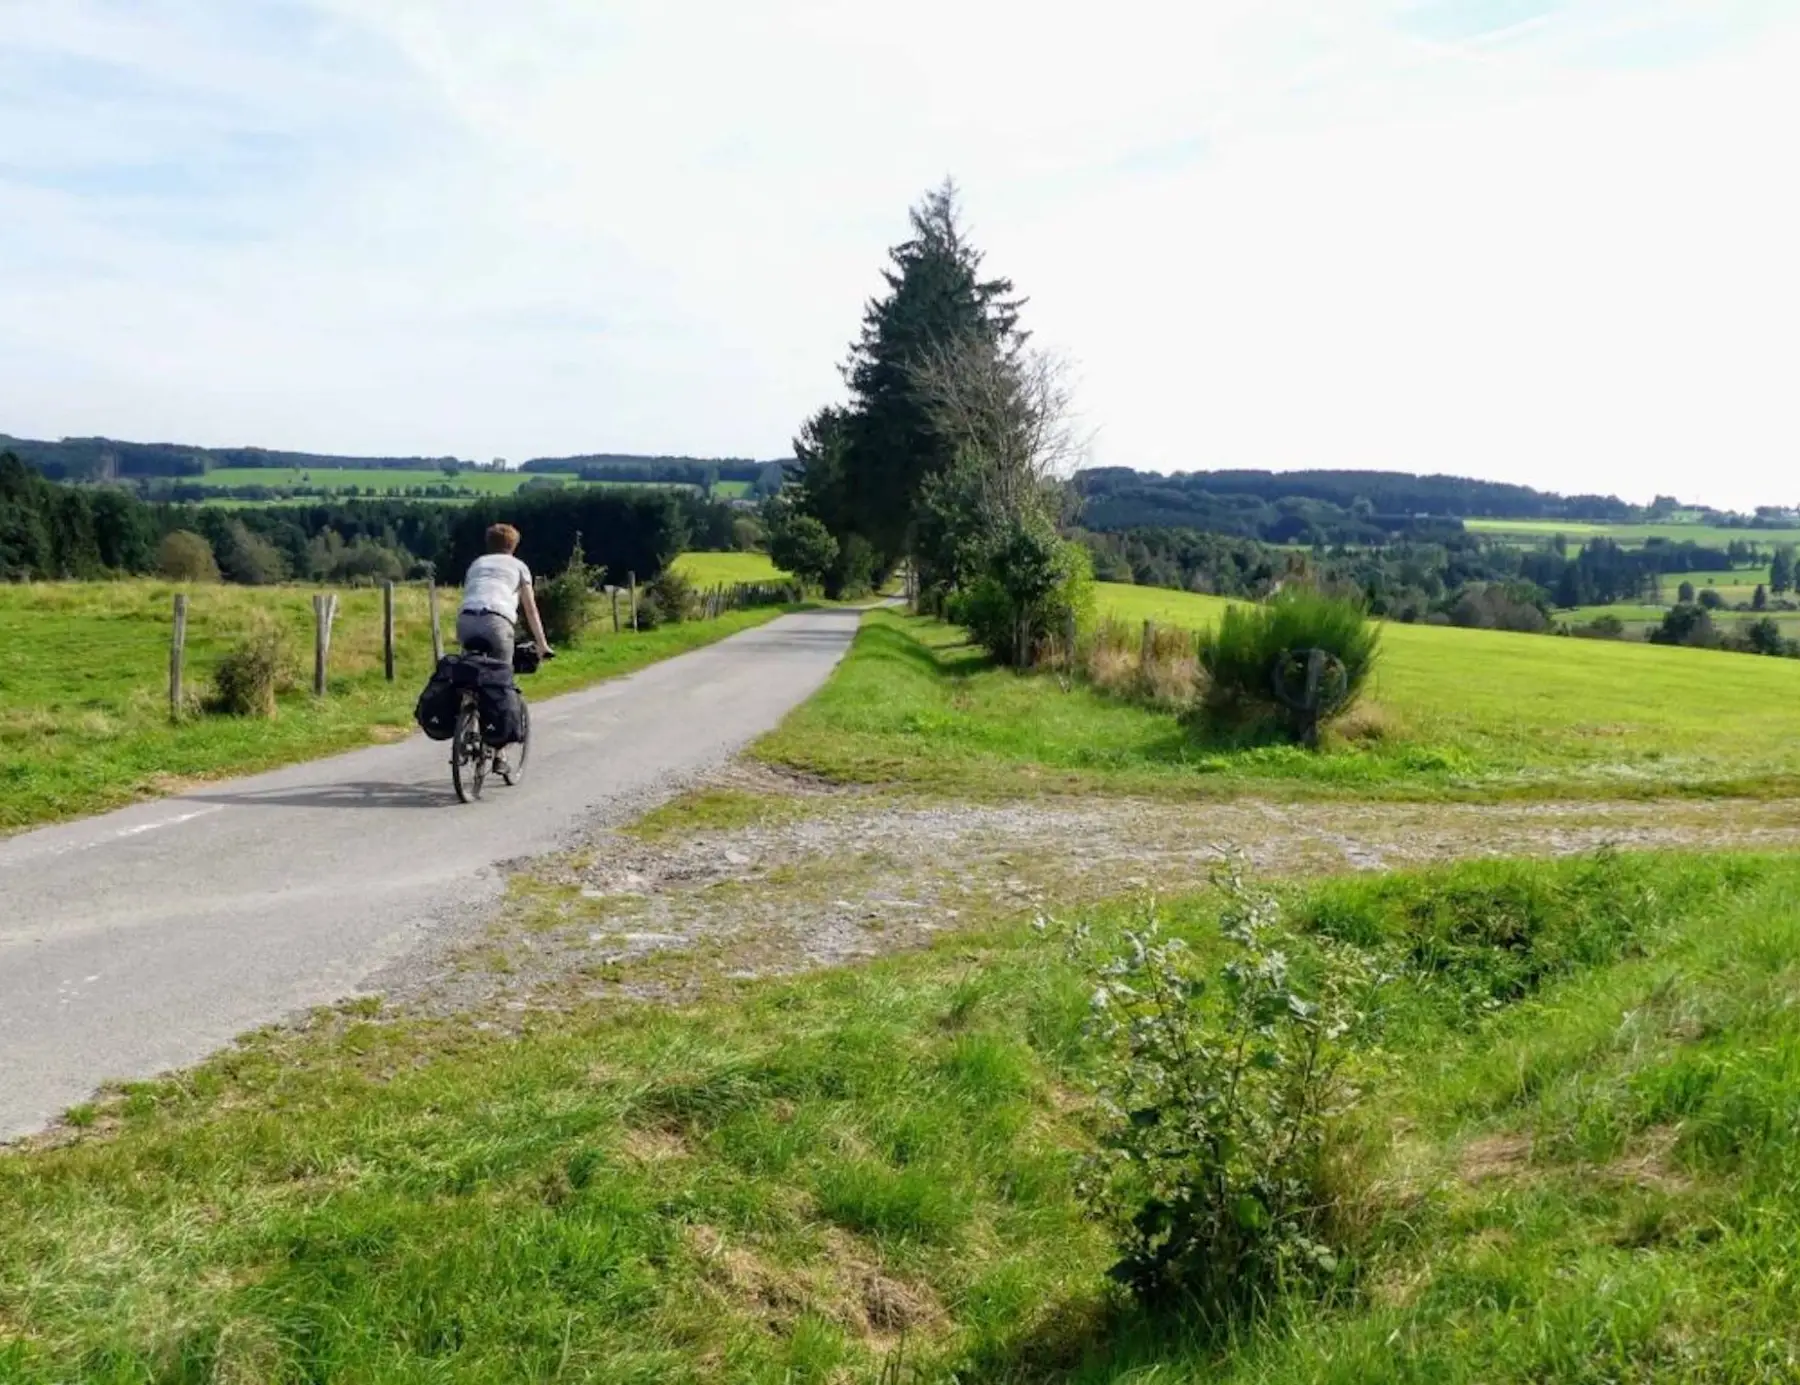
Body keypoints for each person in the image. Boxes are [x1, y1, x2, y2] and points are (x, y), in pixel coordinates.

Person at [457, 523, 552, 665]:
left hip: (466, 621)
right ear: (513, 545)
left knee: (468, 670)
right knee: (502, 674)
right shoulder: (519, 566)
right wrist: (542, 644)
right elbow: (531, 610)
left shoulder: (477, 563)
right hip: (496, 622)